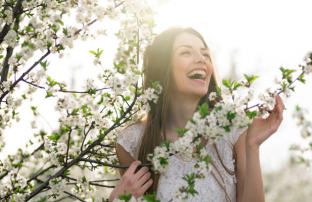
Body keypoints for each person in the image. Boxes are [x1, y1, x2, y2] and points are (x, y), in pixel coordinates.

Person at [109, 26, 285, 202]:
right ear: (162, 66)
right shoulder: (133, 141)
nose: (201, 59)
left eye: (205, 54)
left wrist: (252, 146)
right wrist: (116, 200)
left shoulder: (232, 129)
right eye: (185, 52)